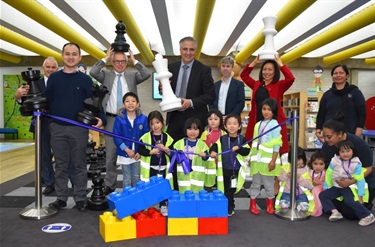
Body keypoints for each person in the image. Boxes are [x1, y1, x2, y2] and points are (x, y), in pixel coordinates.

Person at [45, 42, 106, 212]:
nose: (70, 57)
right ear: (62, 56)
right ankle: (61, 198)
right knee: (61, 165)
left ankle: (80, 198)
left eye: (74, 54)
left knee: (79, 165)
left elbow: (95, 104)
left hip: (78, 129)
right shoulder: (54, 79)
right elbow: (46, 100)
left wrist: (100, 119)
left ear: (79, 57)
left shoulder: (85, 80)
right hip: (57, 128)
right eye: (67, 54)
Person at [90, 47, 151, 195]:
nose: (120, 64)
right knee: (111, 154)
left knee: (134, 151)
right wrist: (105, 58)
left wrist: (134, 60)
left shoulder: (132, 75)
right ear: (112, 61)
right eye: (116, 61)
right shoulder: (106, 74)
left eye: (123, 61)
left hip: (130, 118)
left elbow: (147, 74)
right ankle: (110, 184)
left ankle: (135, 184)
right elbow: (93, 72)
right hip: (111, 118)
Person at [165, 36, 215, 190]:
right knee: (173, 154)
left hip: (195, 121)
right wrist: (163, 90)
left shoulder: (204, 70)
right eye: (185, 49)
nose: (188, 52)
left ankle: (195, 190)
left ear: (195, 51)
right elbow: (167, 92)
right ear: (180, 50)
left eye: (191, 49)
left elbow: (210, 95)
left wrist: (190, 102)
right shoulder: (170, 68)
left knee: (194, 157)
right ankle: (175, 191)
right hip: (174, 118)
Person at [15, 57, 59, 195]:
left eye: (53, 67)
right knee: (44, 156)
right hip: (41, 125)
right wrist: (18, 96)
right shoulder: (33, 83)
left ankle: (61, 182)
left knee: (61, 156)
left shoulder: (61, 82)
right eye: (48, 67)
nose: (50, 70)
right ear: (43, 68)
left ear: (57, 69)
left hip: (59, 124)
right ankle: (49, 183)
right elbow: (25, 103)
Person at [240, 55, 295, 161]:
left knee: (273, 148)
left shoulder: (279, 85)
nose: (267, 72)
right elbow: (244, 75)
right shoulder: (257, 84)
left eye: (270, 69)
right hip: (257, 121)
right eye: (264, 69)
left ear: (275, 72)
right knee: (256, 148)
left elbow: (290, 78)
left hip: (273, 122)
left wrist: (280, 63)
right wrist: (255, 62)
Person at [320, 116, 375, 220]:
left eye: (329, 137)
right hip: (340, 185)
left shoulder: (359, 144)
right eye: (324, 136)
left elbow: (368, 168)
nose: (326, 140)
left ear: (340, 134)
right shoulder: (328, 146)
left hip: (361, 183)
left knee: (350, 213)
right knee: (326, 205)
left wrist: (351, 181)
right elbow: (327, 167)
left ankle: (365, 204)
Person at [209, 114, 250, 216]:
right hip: (224, 170)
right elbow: (214, 147)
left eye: (235, 124)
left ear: (239, 126)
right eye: (229, 124)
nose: (232, 126)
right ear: (225, 126)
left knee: (230, 191)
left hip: (235, 171)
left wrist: (239, 149)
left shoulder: (242, 139)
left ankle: (230, 207)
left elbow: (247, 151)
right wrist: (213, 152)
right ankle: (224, 206)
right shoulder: (222, 139)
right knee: (222, 189)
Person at [315, 64, 366, 143]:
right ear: (332, 76)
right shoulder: (327, 94)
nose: (338, 75)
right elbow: (321, 114)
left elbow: (362, 114)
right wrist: (318, 130)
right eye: (335, 73)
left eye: (341, 73)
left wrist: (357, 134)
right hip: (330, 136)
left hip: (350, 134)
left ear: (347, 76)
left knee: (347, 155)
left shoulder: (355, 92)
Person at [248, 98, 282, 215]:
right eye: (264, 109)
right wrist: (250, 157)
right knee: (255, 183)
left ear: (273, 111)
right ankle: (252, 204)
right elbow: (254, 142)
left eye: (269, 109)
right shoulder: (257, 125)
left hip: (268, 162)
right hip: (257, 161)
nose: (266, 112)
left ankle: (270, 205)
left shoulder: (275, 125)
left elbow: (277, 144)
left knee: (268, 184)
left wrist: (273, 160)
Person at [138, 110, 174, 216]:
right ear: (149, 125)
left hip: (164, 167)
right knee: (151, 187)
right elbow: (140, 150)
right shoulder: (145, 137)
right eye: (152, 123)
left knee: (163, 187)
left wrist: (167, 150)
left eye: (157, 122)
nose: (155, 126)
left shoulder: (167, 137)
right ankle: (152, 205)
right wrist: (151, 152)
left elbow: (173, 151)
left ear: (162, 122)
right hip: (151, 168)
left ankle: (163, 205)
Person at [113, 92, 149, 189]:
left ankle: (137, 201)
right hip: (125, 153)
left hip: (138, 154)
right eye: (127, 101)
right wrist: (126, 149)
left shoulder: (143, 119)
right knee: (127, 179)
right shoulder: (119, 119)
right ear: (123, 104)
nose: (130, 103)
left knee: (137, 178)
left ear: (137, 104)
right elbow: (116, 136)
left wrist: (141, 151)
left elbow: (146, 137)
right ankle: (127, 201)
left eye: (133, 101)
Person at [172, 117, 209, 193]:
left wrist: (205, 155)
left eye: (195, 129)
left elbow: (207, 157)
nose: (193, 132)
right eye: (190, 129)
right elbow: (174, 156)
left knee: (197, 196)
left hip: (197, 177)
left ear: (200, 130)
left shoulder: (202, 144)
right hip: (183, 176)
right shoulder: (179, 143)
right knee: (184, 195)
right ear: (185, 130)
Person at [275, 147, 314, 214]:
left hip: (301, 194)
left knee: (304, 206)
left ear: (304, 160)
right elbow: (279, 177)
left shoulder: (305, 171)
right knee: (284, 205)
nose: (297, 162)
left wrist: (299, 178)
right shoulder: (285, 167)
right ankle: (286, 203)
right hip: (287, 193)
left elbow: (307, 184)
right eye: (294, 159)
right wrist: (287, 175)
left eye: (299, 159)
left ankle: (300, 204)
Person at [201, 109, 226, 188]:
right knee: (208, 181)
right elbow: (202, 147)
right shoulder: (205, 133)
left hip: (220, 161)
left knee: (220, 181)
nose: (213, 121)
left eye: (215, 119)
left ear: (220, 120)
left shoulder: (224, 133)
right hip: (208, 161)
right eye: (210, 119)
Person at [307, 150, 326, 217]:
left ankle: (317, 209)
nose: (318, 167)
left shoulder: (325, 174)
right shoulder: (309, 173)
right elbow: (306, 186)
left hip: (322, 192)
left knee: (316, 190)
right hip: (309, 191)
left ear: (325, 164)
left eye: (321, 164)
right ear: (311, 164)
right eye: (315, 164)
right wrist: (313, 184)